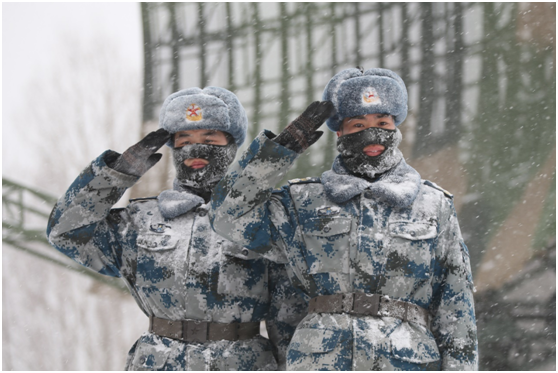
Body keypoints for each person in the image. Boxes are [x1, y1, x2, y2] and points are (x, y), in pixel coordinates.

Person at [210, 68, 478, 370]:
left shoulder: (433, 204)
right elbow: (227, 216)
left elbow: (456, 308)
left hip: (406, 361)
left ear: (397, 127)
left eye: (382, 122)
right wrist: (282, 149)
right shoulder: (302, 201)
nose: (372, 133)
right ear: (340, 133)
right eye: (358, 124)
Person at [46, 87, 306, 371]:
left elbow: (288, 311)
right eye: (184, 140)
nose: (195, 149)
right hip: (158, 362)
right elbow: (65, 233)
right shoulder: (140, 220)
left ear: (231, 146)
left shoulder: (261, 220)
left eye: (210, 138)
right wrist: (114, 175)